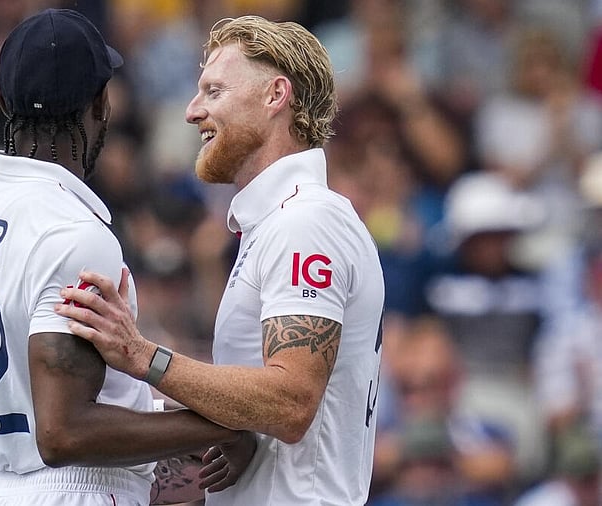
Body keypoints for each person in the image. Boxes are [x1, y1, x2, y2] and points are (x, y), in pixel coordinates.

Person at [57, 14, 386, 505]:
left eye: (214, 91)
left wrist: (141, 355)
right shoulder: (281, 222)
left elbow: (290, 402)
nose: (192, 112)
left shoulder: (306, 222)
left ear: (276, 96)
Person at [0, 8, 256, 506]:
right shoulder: (75, 232)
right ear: (102, 103)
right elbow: (63, 435)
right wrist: (220, 428)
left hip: (5, 488)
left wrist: (161, 421)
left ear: (1, 101)